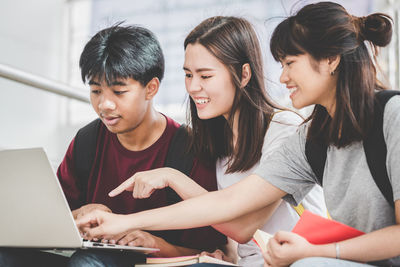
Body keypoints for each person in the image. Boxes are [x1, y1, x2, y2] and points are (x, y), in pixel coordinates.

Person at [76, 2, 400, 266]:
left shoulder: (390, 116)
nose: (283, 76)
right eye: (188, 75)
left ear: (330, 60)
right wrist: (123, 223)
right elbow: (230, 203)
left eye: (289, 63)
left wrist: (316, 252)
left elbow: (242, 224)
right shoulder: (312, 136)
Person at [0, 24, 226, 267]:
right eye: (96, 91)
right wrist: (78, 216)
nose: (104, 104)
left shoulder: (189, 150)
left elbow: (212, 252)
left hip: (155, 262)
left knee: (88, 262)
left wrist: (153, 243)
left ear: (151, 88)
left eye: (119, 92)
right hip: (88, 255)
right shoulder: (87, 141)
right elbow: (53, 222)